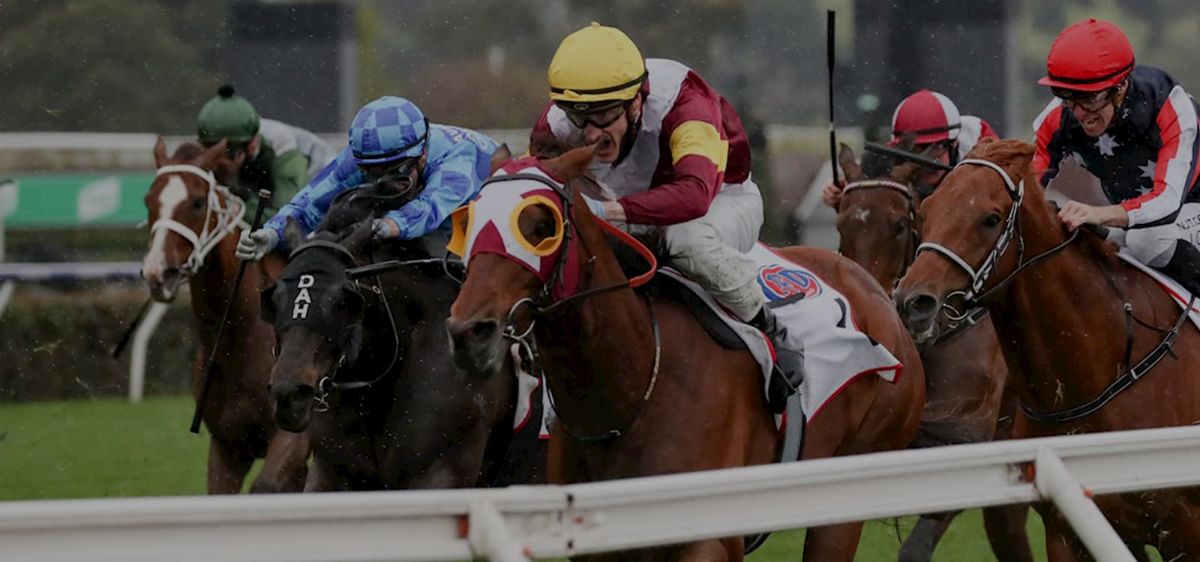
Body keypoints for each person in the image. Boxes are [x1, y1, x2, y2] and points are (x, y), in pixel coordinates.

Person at [531, 22, 803, 406]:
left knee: (686, 240)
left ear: (635, 102)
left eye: (604, 116)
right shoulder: (557, 121)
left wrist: (606, 210)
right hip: (627, 207)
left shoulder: (686, 102)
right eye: (579, 117)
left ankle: (772, 331)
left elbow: (694, 195)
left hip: (720, 201)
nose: (591, 134)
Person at [1033, 18, 1200, 295]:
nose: (1079, 113)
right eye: (1067, 96)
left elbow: (1167, 201)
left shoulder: (1170, 106)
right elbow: (1026, 186)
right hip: (1138, 217)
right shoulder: (1058, 117)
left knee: (1146, 240)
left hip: (1186, 204)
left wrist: (1100, 213)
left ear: (1120, 87)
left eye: (1089, 98)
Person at [236, 96, 500, 260]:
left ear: (422, 154)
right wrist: (272, 233)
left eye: (396, 170)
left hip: (479, 218)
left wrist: (383, 226)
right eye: (372, 173)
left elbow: (428, 210)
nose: (384, 182)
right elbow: (309, 202)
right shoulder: (366, 156)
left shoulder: (459, 158)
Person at [822, 89, 999, 207]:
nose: (929, 160)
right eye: (917, 150)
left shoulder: (982, 147)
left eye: (937, 148)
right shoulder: (888, 163)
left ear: (955, 144)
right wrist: (843, 197)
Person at [196, 84, 337, 211]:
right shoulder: (246, 140)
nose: (220, 162)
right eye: (212, 152)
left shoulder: (282, 147)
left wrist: (243, 204)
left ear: (253, 143)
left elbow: (286, 218)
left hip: (323, 179)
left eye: (231, 152)